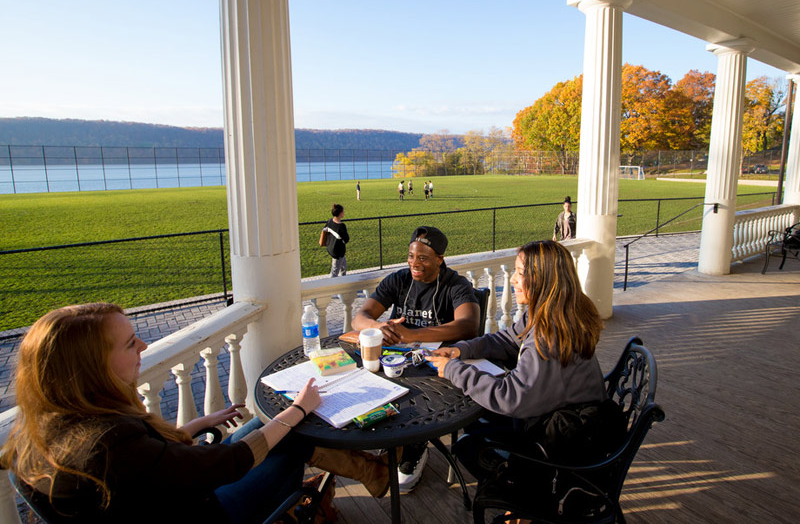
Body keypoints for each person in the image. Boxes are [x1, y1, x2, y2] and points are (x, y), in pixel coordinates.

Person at [1, 303, 390, 523]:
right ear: (91, 369)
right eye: (129, 343)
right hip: (210, 511)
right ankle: (371, 472)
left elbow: (148, 466)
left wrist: (191, 427)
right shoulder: (110, 443)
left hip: (176, 491)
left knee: (265, 425)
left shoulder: (49, 430)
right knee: (290, 438)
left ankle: (370, 472)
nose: (143, 345)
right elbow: (229, 464)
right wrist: (297, 409)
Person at [427, 240, 621, 482]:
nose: (512, 280)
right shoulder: (550, 310)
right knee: (479, 418)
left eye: (520, 273)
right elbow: (507, 339)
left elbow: (511, 397)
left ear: (542, 279)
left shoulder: (549, 334)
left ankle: (519, 492)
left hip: (564, 440)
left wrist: (453, 370)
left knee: (468, 446)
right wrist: (460, 350)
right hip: (558, 414)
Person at [353, 226, 480, 492]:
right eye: (411, 256)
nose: (415, 263)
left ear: (440, 259)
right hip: (397, 363)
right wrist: (378, 327)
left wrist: (411, 334)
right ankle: (394, 441)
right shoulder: (398, 280)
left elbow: (469, 325)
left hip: (437, 368)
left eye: (423, 257)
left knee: (417, 397)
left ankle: (414, 445)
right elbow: (360, 318)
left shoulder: (456, 285)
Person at [323, 203, 349, 277]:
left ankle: (343, 279)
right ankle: (331, 283)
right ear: (340, 213)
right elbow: (346, 239)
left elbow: (324, 229)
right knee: (334, 271)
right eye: (343, 211)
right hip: (338, 251)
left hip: (332, 247)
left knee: (343, 266)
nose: (344, 213)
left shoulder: (330, 221)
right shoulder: (341, 226)